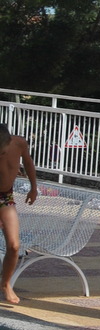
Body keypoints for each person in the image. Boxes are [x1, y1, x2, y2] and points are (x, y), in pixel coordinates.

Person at [0, 123, 38, 304]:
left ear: (9, 141)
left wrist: (33, 188)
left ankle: (6, 284)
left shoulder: (20, 143)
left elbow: (28, 162)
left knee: (14, 246)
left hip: (5, 197)